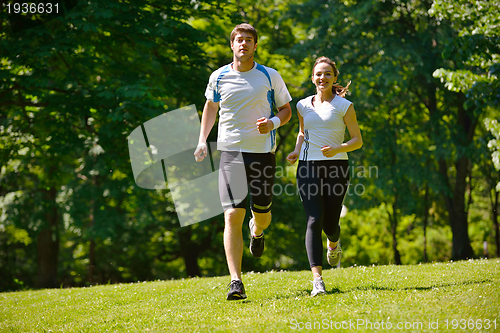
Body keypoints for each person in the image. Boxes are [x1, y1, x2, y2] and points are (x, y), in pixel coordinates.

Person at [194, 23, 292, 300]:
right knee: (232, 214)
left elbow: (285, 110)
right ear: (232, 44)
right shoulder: (219, 76)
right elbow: (211, 107)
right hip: (231, 153)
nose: (244, 44)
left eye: (249, 40)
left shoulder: (269, 76)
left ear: (255, 46)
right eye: (239, 40)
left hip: (262, 153)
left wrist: (272, 122)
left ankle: (257, 232)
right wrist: (203, 139)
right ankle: (236, 281)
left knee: (261, 215)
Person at [286, 56, 362, 296]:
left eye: (327, 74)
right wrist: (297, 150)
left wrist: (338, 149)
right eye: (318, 74)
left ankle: (334, 242)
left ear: (334, 78)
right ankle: (317, 280)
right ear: (312, 78)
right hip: (308, 167)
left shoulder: (343, 106)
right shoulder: (302, 105)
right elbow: (302, 132)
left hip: (337, 168)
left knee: (330, 223)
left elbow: (357, 140)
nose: (322, 78)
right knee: (313, 219)